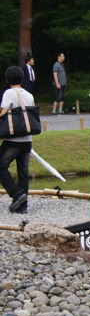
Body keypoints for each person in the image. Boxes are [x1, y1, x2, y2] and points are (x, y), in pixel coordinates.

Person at [0, 66, 35, 213]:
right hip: (27, 139)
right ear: (22, 79)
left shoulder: (9, 93)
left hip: (13, 140)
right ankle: (22, 206)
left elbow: (3, 112)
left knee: (1, 165)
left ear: (7, 80)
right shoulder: (29, 94)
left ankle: (16, 193)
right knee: (23, 172)